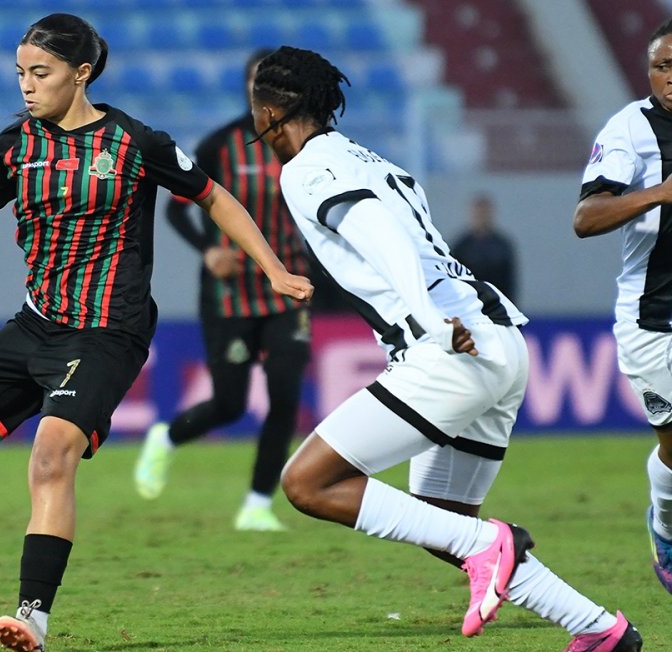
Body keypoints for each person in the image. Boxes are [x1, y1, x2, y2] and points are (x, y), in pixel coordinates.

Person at [0, 15, 312, 652]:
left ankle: (33, 616)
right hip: (36, 324)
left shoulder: (134, 142)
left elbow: (214, 198)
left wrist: (273, 269)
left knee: (51, 457)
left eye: (39, 73)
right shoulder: (16, 144)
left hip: (109, 332)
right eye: (20, 73)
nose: (26, 86)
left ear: (81, 74)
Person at [250, 45, 641, 651]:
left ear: (270, 110)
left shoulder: (307, 168)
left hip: (448, 349)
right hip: (497, 344)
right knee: (443, 524)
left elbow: (379, 232)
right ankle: (597, 628)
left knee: (307, 484)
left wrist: (428, 323)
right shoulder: (363, 155)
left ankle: (492, 544)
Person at [133, 49, 311, 531]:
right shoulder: (219, 145)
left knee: (285, 396)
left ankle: (257, 504)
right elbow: (175, 209)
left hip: (287, 287)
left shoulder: (307, 145)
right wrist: (207, 251)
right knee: (231, 403)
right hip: (230, 294)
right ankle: (166, 438)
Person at [574, 16, 672, 600]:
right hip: (655, 317)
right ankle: (665, 522)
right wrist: (661, 192)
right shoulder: (630, 130)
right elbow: (585, 219)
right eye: (664, 66)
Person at [451, 193, 518, 301]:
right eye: (478, 214)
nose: (481, 218)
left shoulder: (502, 245)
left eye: (484, 213)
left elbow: (509, 281)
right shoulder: (461, 247)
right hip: (469, 305)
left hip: (497, 304)